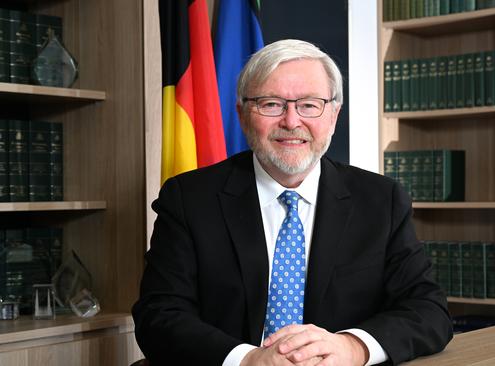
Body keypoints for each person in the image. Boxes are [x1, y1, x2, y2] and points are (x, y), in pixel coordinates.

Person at [132, 39, 453, 366]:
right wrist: (247, 360)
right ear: (243, 115)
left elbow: (428, 310)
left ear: (333, 115)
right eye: (271, 104)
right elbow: (159, 315)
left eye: (310, 105)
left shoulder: (381, 200)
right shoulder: (189, 199)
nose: (291, 121)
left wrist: (353, 347)